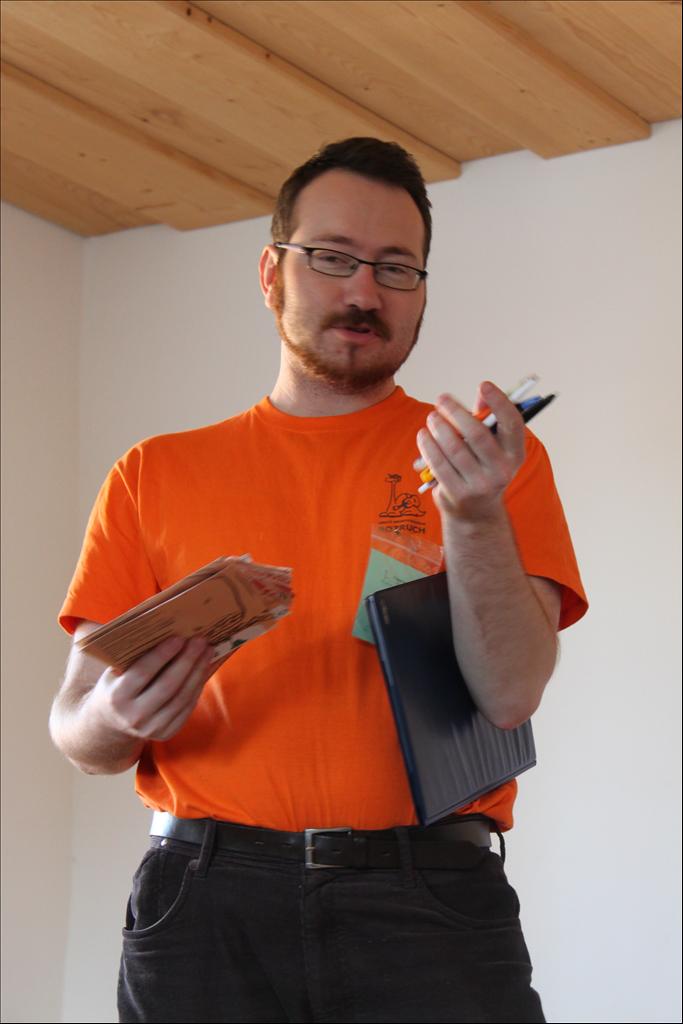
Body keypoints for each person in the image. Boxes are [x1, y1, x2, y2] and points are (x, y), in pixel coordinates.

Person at [51, 137, 587, 1024]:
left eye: (395, 268)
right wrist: (118, 714)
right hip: (204, 903)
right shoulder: (152, 473)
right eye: (333, 257)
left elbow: (510, 694)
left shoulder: (488, 468)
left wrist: (473, 519)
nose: (364, 292)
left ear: (421, 293)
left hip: (431, 901)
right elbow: (78, 732)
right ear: (272, 274)